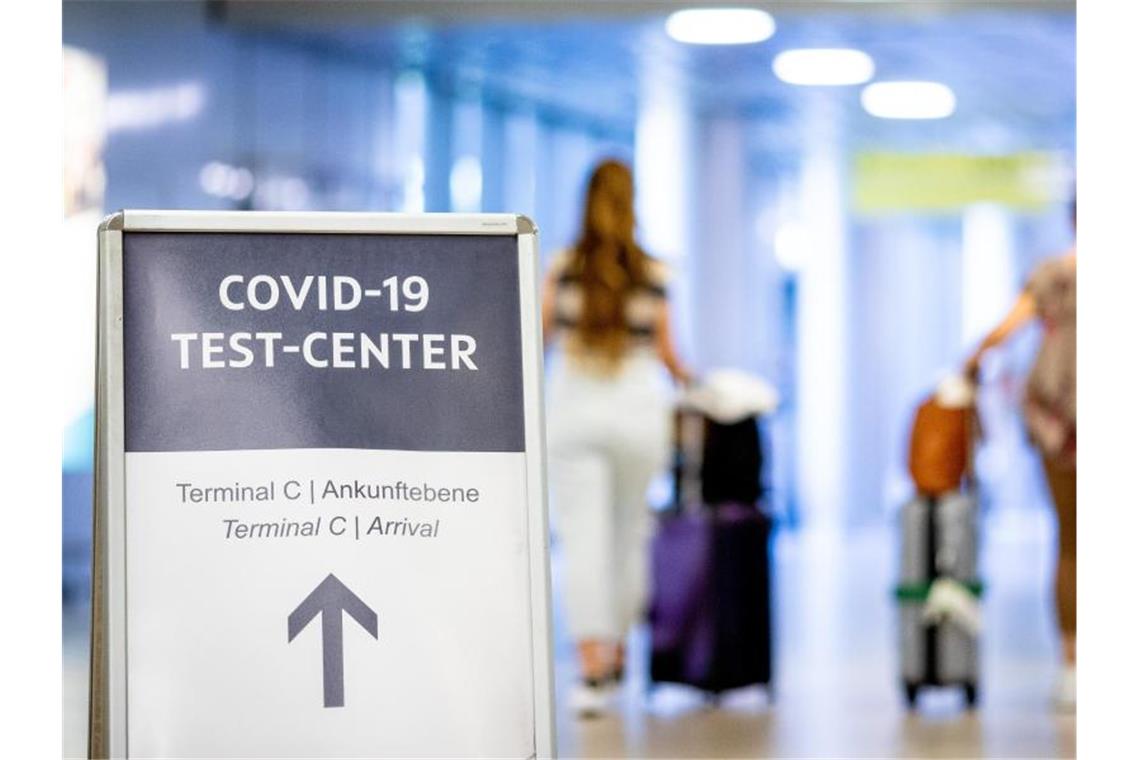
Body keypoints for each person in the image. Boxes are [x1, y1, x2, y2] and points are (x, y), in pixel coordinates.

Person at [542, 159, 691, 717]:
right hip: (637, 417)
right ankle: (621, 650)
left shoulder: (564, 267)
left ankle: (592, 669)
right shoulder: (654, 273)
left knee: (583, 541)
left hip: (575, 413)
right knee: (629, 537)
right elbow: (673, 357)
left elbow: (538, 337)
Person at [964, 204, 1076, 710]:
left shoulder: (1053, 275)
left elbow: (999, 333)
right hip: (1066, 424)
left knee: (1072, 544)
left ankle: (1074, 664)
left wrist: (968, 365)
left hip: (1060, 422)